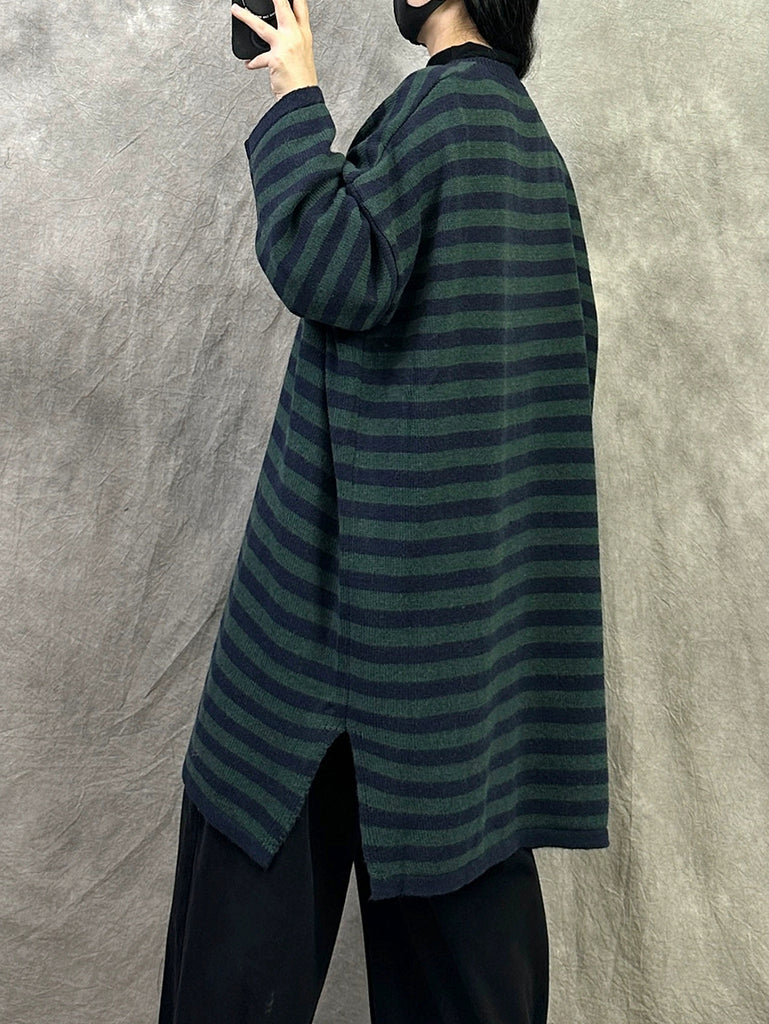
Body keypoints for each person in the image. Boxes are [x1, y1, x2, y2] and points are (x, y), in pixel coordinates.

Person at [158, 0, 609, 1021]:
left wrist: (295, 92)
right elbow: (564, 367)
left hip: (334, 620)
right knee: (463, 940)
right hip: (456, 666)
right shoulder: (531, 150)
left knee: (241, 910)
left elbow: (327, 264)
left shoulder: (440, 114)